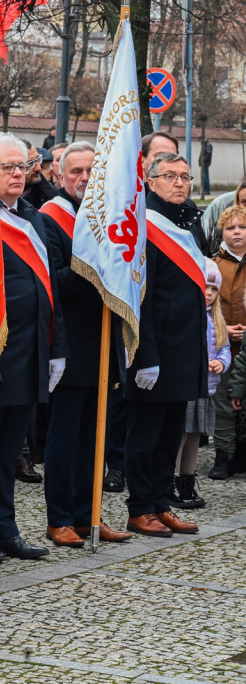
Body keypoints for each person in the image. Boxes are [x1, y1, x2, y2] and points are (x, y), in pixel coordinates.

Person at [0, 133, 67, 564]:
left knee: (9, 452)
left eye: (23, 166)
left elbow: (50, 287)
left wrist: (58, 347)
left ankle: (6, 528)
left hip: (31, 351)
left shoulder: (33, 217)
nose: (19, 174)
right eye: (8, 167)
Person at [39, 141, 132, 547]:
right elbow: (53, 283)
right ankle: (59, 517)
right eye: (75, 172)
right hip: (69, 344)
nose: (84, 179)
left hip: (104, 342)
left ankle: (89, 513)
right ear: (59, 176)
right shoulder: (48, 219)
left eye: (91, 171)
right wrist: (91, 262)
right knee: (65, 438)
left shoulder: (106, 216)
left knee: (96, 437)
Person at [123, 152, 207, 537]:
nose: (179, 183)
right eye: (170, 176)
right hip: (156, 351)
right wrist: (145, 356)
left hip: (185, 349)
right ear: (150, 180)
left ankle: (160, 502)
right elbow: (142, 297)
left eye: (185, 177)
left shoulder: (186, 222)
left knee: (170, 434)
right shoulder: (145, 225)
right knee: (145, 435)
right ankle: (140, 506)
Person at [171, 259, 229, 508]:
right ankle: (169, 484)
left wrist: (221, 364)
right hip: (186, 386)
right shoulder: (187, 315)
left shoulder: (217, 319)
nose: (208, 293)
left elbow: (224, 348)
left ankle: (187, 483)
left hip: (206, 388)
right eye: (204, 286)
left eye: (214, 289)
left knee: (195, 436)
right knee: (179, 436)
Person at [208, 205, 246, 479]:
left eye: (242, 227)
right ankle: (223, 455)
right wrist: (225, 330)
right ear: (222, 232)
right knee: (223, 404)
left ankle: (241, 455)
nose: (237, 233)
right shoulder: (214, 264)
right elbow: (211, 304)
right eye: (231, 228)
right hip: (223, 344)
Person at [202, 177, 246, 254]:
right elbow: (202, 243)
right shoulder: (219, 205)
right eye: (244, 202)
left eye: (242, 227)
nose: (237, 232)